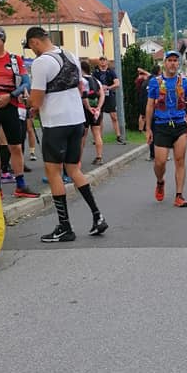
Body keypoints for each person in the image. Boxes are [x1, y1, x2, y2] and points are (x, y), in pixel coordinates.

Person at [25, 26, 108, 242]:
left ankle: (64, 226)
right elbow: (80, 87)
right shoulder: (70, 55)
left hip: (56, 123)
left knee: (53, 171)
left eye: (31, 47)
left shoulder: (41, 62)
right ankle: (97, 215)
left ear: (34, 42)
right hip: (76, 120)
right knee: (73, 169)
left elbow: (37, 99)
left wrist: (29, 104)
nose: (32, 51)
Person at [0, 26, 40, 199]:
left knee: (15, 146)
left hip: (10, 106)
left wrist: (10, 96)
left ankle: (21, 185)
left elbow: (26, 83)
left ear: (3, 40)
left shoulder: (14, 60)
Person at [145, 50, 187, 207]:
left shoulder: (185, 82)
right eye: (170, 60)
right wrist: (148, 128)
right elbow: (150, 106)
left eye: (175, 60)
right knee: (160, 163)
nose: (173, 63)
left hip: (180, 125)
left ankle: (179, 196)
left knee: (180, 160)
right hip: (161, 125)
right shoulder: (155, 82)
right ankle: (160, 181)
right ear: (164, 63)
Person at [80, 58, 105, 166]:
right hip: (96, 109)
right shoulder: (96, 81)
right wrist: (98, 107)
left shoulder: (81, 80)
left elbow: (84, 96)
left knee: (83, 135)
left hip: (84, 109)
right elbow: (102, 95)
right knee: (97, 133)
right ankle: (99, 157)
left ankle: (78, 159)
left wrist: (88, 107)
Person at [93, 55, 123, 143]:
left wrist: (108, 87)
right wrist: (99, 88)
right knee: (100, 117)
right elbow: (92, 83)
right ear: (99, 61)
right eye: (101, 60)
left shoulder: (111, 71)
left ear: (107, 61)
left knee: (114, 116)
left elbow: (117, 83)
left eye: (104, 60)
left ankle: (118, 136)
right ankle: (99, 137)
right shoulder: (96, 72)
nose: (102, 61)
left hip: (109, 96)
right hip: (99, 96)